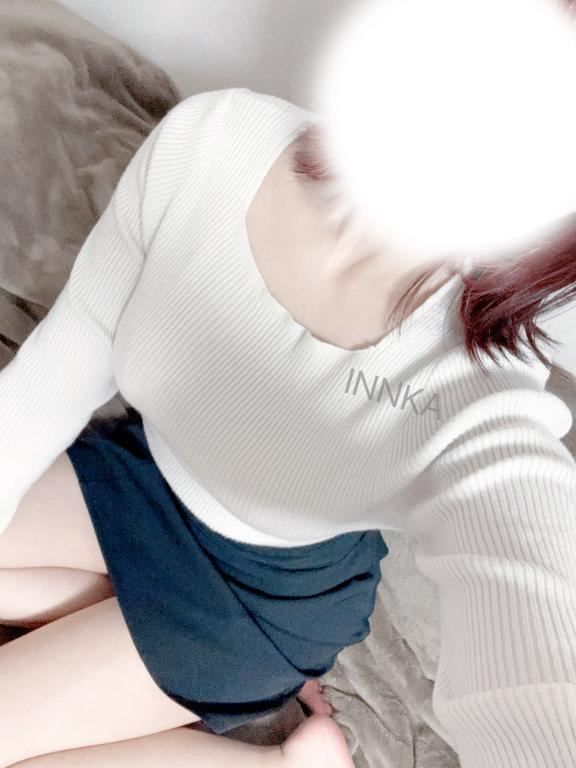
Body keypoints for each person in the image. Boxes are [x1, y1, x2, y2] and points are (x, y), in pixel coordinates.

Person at [0, 85, 575, 768]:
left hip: (262, 605)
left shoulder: (486, 396)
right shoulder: (216, 141)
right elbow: (44, 389)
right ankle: (129, 620)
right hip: (138, 477)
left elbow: (536, 684)